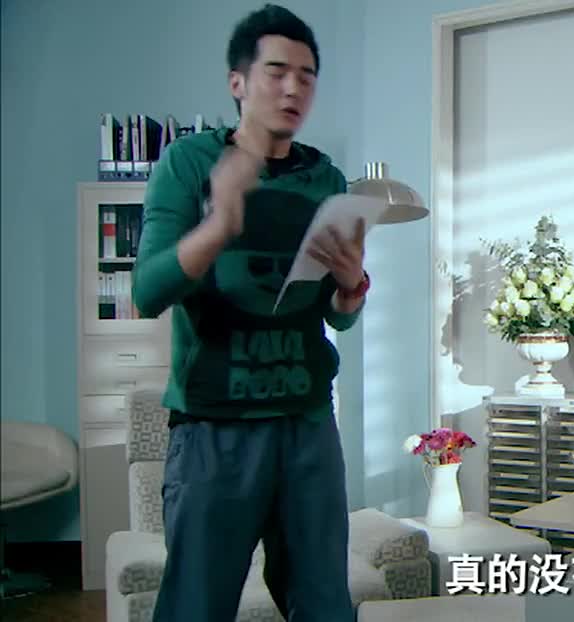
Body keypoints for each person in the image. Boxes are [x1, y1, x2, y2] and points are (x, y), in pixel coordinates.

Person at [132, 5, 366, 621]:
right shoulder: (188, 163)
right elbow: (146, 293)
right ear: (238, 82)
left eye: (307, 76)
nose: (294, 89)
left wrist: (351, 287)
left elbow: (336, 317)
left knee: (325, 606)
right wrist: (220, 224)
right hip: (215, 428)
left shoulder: (326, 178)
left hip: (307, 425)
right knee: (196, 607)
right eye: (277, 72)